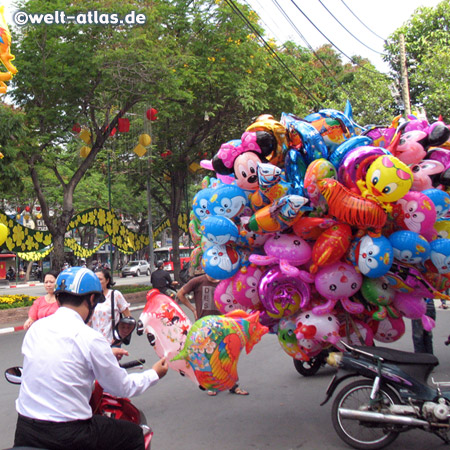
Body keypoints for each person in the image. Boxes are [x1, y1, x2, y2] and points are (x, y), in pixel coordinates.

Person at [13, 266, 168, 450]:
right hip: (69, 433)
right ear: (92, 299)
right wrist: (155, 374)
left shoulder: (36, 330)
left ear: (58, 296)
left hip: (25, 429)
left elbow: (57, 357)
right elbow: (122, 387)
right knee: (135, 434)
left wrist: (104, 354)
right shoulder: (90, 338)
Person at [177, 272, 249, 396]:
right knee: (209, 358)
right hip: (204, 327)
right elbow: (180, 294)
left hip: (223, 325)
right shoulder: (198, 281)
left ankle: (233, 385)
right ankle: (212, 385)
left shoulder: (224, 281)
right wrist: (193, 309)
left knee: (227, 356)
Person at [91, 268, 132, 345]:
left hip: (112, 342)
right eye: (95, 279)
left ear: (107, 280)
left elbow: (128, 318)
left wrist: (120, 338)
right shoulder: (91, 297)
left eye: (100, 279)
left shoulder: (115, 295)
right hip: (95, 343)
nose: (97, 282)